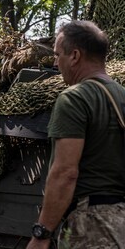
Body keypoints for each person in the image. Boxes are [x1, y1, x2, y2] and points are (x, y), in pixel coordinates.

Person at [26, 20, 125, 248]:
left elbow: (65, 172)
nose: (55, 62)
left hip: (92, 225)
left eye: (57, 54)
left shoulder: (75, 97)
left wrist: (41, 234)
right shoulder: (121, 94)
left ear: (75, 56)